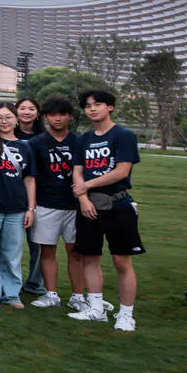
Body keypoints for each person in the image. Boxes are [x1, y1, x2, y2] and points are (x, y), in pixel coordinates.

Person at [68, 89, 143, 330]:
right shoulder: (83, 139)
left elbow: (122, 171)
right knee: (89, 257)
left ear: (110, 107)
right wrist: (83, 199)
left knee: (122, 261)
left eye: (97, 104)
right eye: (88, 105)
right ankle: (96, 308)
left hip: (118, 206)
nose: (92, 109)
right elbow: (77, 170)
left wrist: (84, 187)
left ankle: (126, 314)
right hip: (88, 206)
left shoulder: (123, 135)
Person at [26, 97, 82, 309]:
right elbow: (30, 176)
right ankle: (51, 294)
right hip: (46, 205)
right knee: (47, 251)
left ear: (69, 116)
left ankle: (78, 296)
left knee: (75, 252)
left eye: (62, 114)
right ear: (45, 117)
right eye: (52, 114)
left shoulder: (79, 142)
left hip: (74, 205)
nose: (57, 118)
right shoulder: (36, 143)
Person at [0, 102, 36, 309]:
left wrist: (31, 208)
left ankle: (11, 293)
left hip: (17, 208)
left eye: (8, 117)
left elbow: (30, 179)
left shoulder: (25, 146)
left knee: (12, 253)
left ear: (16, 119)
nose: (4, 122)